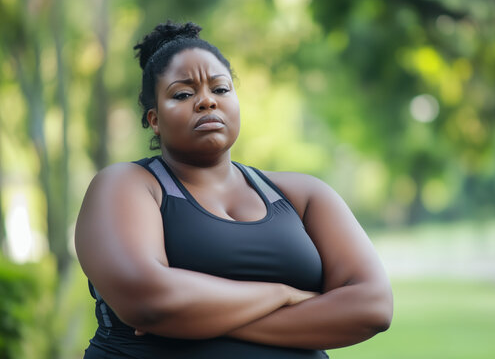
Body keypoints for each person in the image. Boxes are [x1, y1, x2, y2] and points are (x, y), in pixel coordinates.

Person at [75, 21, 393, 359]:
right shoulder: (126, 185)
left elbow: (372, 305)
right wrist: (283, 293)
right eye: (183, 94)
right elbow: (149, 302)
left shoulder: (304, 194)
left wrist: (196, 318)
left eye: (221, 89)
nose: (206, 102)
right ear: (154, 119)